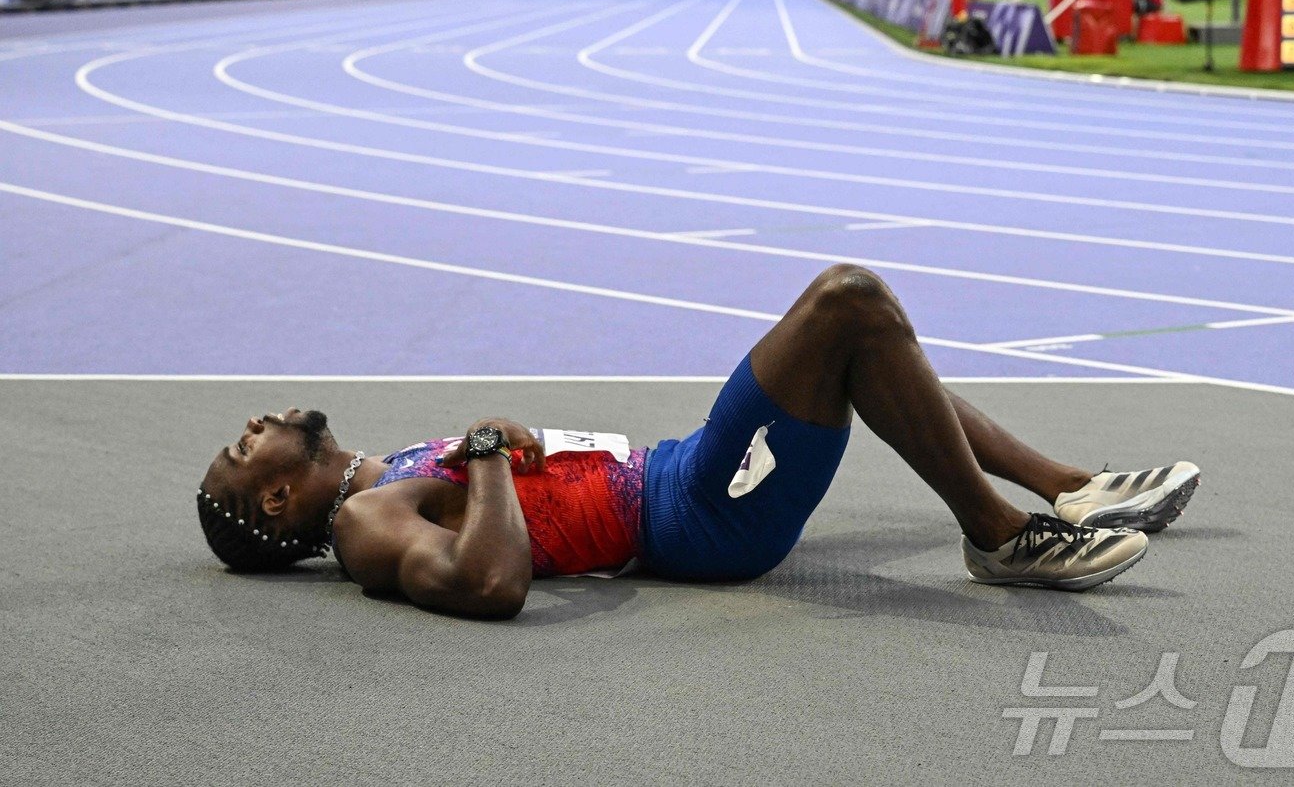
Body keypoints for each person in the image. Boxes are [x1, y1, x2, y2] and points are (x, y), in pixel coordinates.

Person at [197, 265, 1199, 619]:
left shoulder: (386, 477)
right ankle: (997, 533)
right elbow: (489, 587)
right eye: (244, 453)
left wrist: (493, 455)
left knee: (858, 341)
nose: (253, 428)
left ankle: (1068, 487)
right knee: (846, 304)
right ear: (280, 503)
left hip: (672, 473)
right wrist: (493, 454)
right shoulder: (368, 519)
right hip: (692, 517)